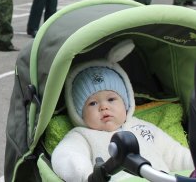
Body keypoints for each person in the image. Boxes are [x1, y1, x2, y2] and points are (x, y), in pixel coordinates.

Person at [52, 41, 194, 181]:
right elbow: (68, 156)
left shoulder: (142, 126)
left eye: (111, 99)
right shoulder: (82, 136)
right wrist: (87, 176)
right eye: (93, 103)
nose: (104, 107)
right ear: (78, 113)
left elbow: (174, 154)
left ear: (126, 103)